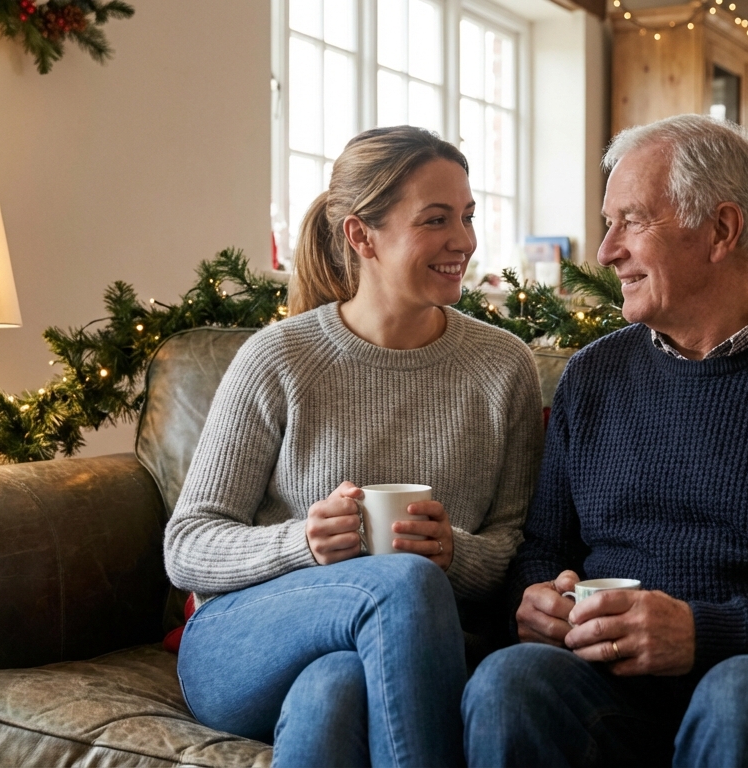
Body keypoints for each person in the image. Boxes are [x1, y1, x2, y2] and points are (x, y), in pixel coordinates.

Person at [462, 114, 748, 767]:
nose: (605, 251)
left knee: (740, 696)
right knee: (510, 682)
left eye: (631, 220)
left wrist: (704, 634)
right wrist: (538, 601)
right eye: (608, 223)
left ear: (721, 230)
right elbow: (543, 549)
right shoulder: (593, 376)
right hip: (617, 684)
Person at [167, 126, 544, 768]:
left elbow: (516, 544)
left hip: (402, 653)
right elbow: (188, 544)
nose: (464, 240)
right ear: (361, 235)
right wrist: (301, 543)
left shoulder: (503, 366)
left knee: (335, 690)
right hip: (243, 642)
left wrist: (454, 550)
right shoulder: (278, 358)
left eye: (468, 216)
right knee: (401, 582)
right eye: (436, 219)